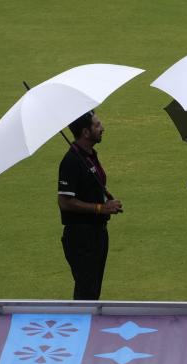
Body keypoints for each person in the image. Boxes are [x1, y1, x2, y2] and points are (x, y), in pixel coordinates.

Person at [57, 111, 123, 300]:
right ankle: (82, 328)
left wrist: (107, 201)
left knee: (93, 290)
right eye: (97, 125)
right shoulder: (71, 161)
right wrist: (101, 208)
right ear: (85, 132)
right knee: (87, 291)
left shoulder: (89, 156)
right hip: (81, 237)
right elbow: (64, 202)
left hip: (97, 233)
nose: (102, 128)